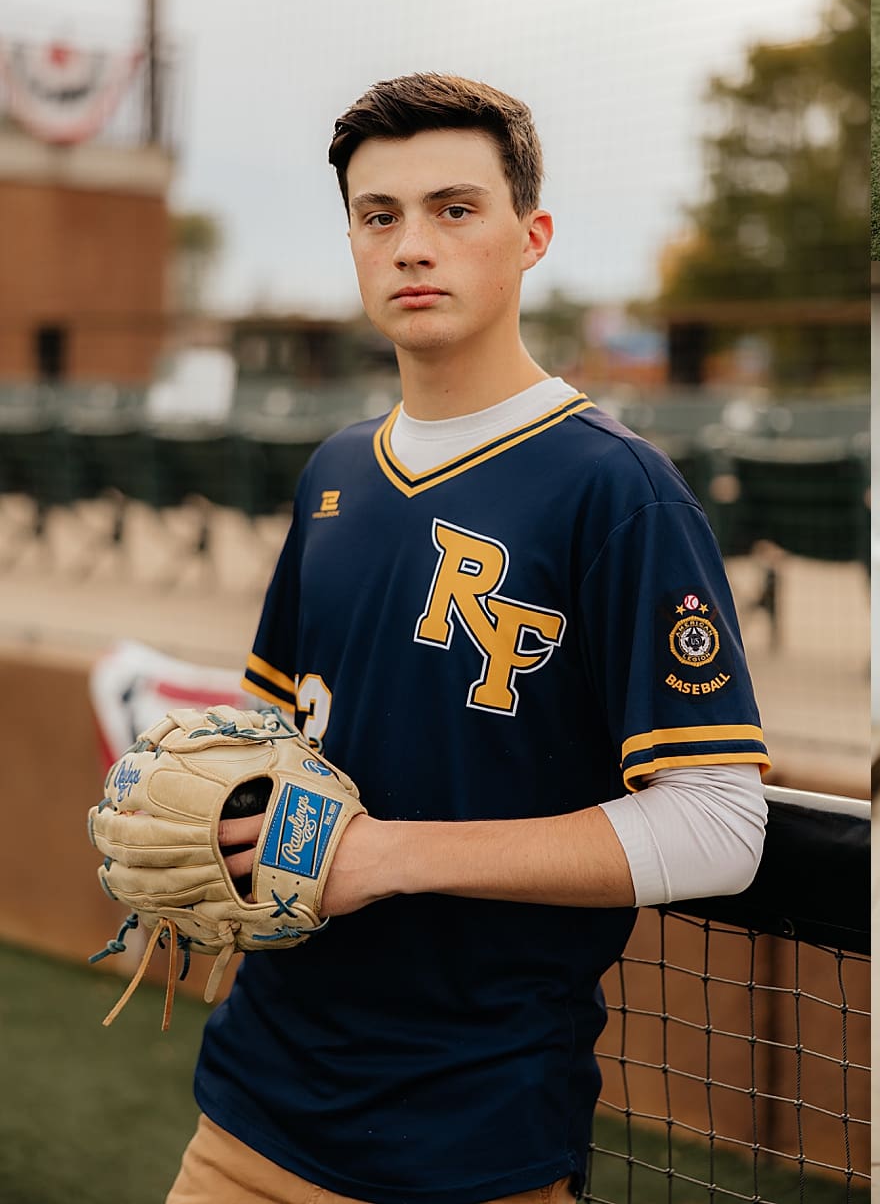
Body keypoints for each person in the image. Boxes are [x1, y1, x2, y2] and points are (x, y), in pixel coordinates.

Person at [165, 73, 769, 1204]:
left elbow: (722, 827)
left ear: (531, 236)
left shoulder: (621, 491)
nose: (410, 247)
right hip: (247, 1111)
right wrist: (216, 806)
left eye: (455, 209)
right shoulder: (337, 469)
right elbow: (278, 728)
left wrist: (388, 856)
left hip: (470, 1139)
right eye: (377, 216)